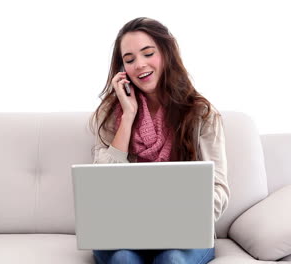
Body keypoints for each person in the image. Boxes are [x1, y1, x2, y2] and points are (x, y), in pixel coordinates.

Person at [89, 17, 230, 264]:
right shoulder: (111, 115)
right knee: (123, 258)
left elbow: (219, 190)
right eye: (130, 59)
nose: (140, 65)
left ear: (166, 53)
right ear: (122, 69)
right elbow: (103, 187)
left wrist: (176, 218)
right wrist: (129, 115)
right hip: (122, 234)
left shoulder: (202, 115)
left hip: (184, 235)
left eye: (148, 53)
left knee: (172, 258)